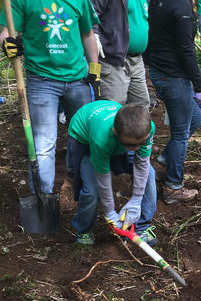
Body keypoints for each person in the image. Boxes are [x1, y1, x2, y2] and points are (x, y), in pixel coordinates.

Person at [0, 0, 99, 196]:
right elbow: (8, 31)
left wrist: (95, 70)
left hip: (77, 78)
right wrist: (7, 43)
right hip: (41, 81)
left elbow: (88, 33)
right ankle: (44, 199)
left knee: (85, 139)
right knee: (44, 144)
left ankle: (82, 192)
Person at [145, 0, 201, 204]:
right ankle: (173, 187)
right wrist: (199, 83)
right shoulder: (179, 4)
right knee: (181, 132)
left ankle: (165, 158)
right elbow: (185, 48)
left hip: (161, 72)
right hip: (173, 76)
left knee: (196, 118)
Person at [67, 101, 158, 244]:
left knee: (150, 174)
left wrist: (136, 199)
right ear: (116, 132)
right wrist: (109, 211)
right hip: (84, 137)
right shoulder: (102, 140)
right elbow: (103, 177)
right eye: (130, 145)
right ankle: (83, 231)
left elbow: (142, 164)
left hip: (117, 140)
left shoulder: (146, 129)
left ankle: (142, 226)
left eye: (139, 144)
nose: (134, 149)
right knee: (91, 190)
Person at [85, 0, 153, 107]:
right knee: (113, 108)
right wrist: (95, 37)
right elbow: (88, 10)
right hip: (112, 60)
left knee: (141, 107)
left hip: (137, 61)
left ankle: (138, 134)